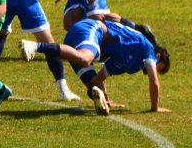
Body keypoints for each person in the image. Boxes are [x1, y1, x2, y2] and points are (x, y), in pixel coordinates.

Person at [19, 18, 171, 115]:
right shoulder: (149, 49)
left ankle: (100, 103)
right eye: (160, 68)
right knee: (85, 59)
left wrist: (107, 99)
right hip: (92, 29)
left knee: (92, 84)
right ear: (158, 57)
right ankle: (35, 45)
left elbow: (100, 78)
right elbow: (154, 82)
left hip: (78, 35)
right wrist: (155, 108)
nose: (156, 71)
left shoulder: (131, 63)